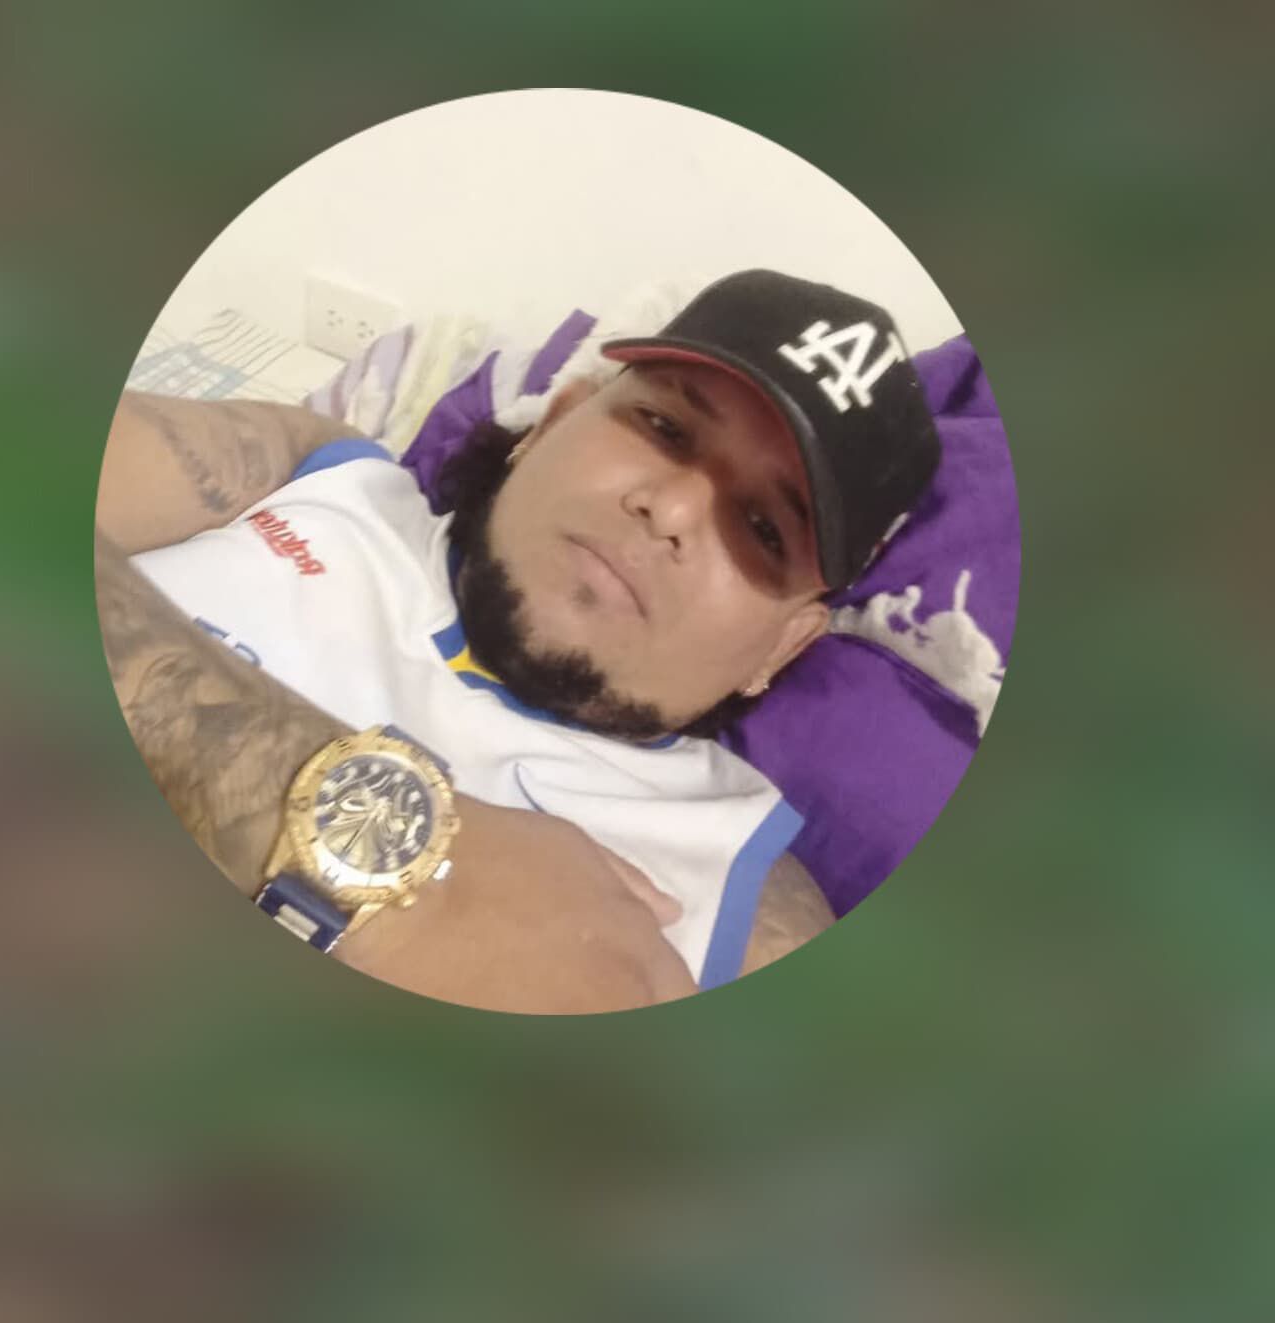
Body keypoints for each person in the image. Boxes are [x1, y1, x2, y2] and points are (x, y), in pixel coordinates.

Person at [94, 269, 941, 1012]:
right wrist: (394, 842)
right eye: (666, 428)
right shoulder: (310, 474)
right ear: (552, 420)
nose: (673, 510)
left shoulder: (751, 910)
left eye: (761, 528)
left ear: (784, 647)